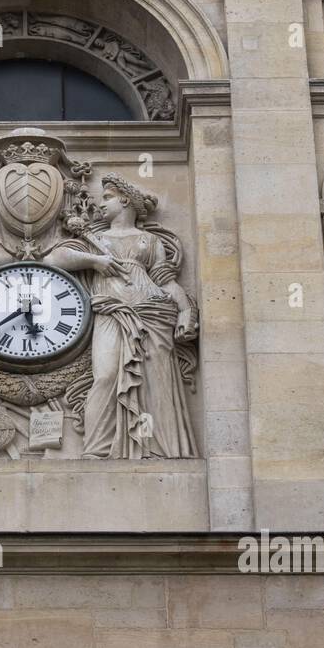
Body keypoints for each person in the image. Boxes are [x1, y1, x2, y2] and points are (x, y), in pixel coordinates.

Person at [79, 173, 198, 459]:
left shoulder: (150, 241)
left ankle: (160, 449)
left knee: (156, 381)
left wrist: (185, 311)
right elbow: (54, 259)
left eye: (107, 197)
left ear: (125, 200)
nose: (100, 203)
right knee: (106, 374)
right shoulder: (94, 240)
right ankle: (98, 448)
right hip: (111, 310)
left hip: (151, 311)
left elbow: (166, 282)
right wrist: (95, 260)